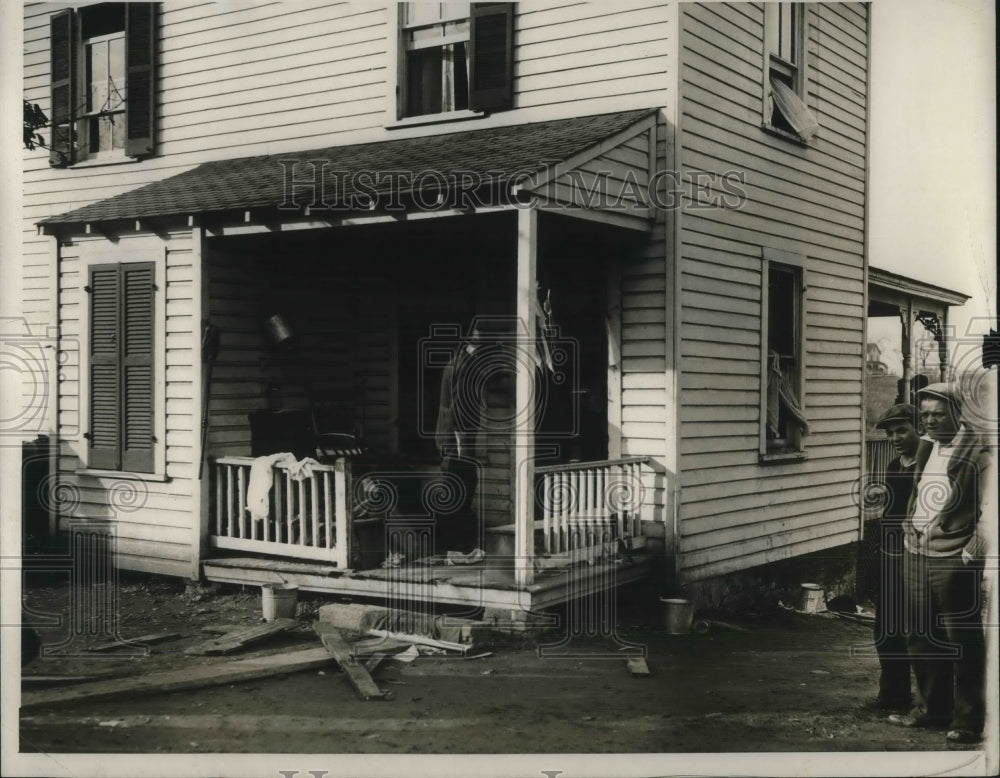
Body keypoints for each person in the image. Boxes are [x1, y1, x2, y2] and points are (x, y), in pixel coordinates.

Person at [889, 383, 990, 744]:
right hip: (916, 551)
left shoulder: (979, 451)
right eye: (925, 415)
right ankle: (932, 710)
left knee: (961, 639)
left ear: (956, 413)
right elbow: (919, 491)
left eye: (938, 414)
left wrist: (972, 551)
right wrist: (908, 527)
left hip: (954, 556)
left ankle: (967, 721)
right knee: (918, 634)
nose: (930, 421)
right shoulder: (927, 448)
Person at [870, 403, 920, 711]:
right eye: (891, 433)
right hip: (891, 554)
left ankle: (937, 701)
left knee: (923, 630)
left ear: (920, 429)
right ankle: (893, 694)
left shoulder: (927, 467)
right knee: (886, 627)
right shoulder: (893, 465)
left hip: (918, 555)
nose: (896, 437)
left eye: (902, 430)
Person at [434, 325, 487, 552]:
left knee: (463, 484)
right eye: (480, 337)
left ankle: (456, 543)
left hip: (460, 434)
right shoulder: (462, 365)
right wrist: (459, 440)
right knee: (460, 485)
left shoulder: (468, 361)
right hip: (456, 435)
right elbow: (455, 404)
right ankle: (452, 544)